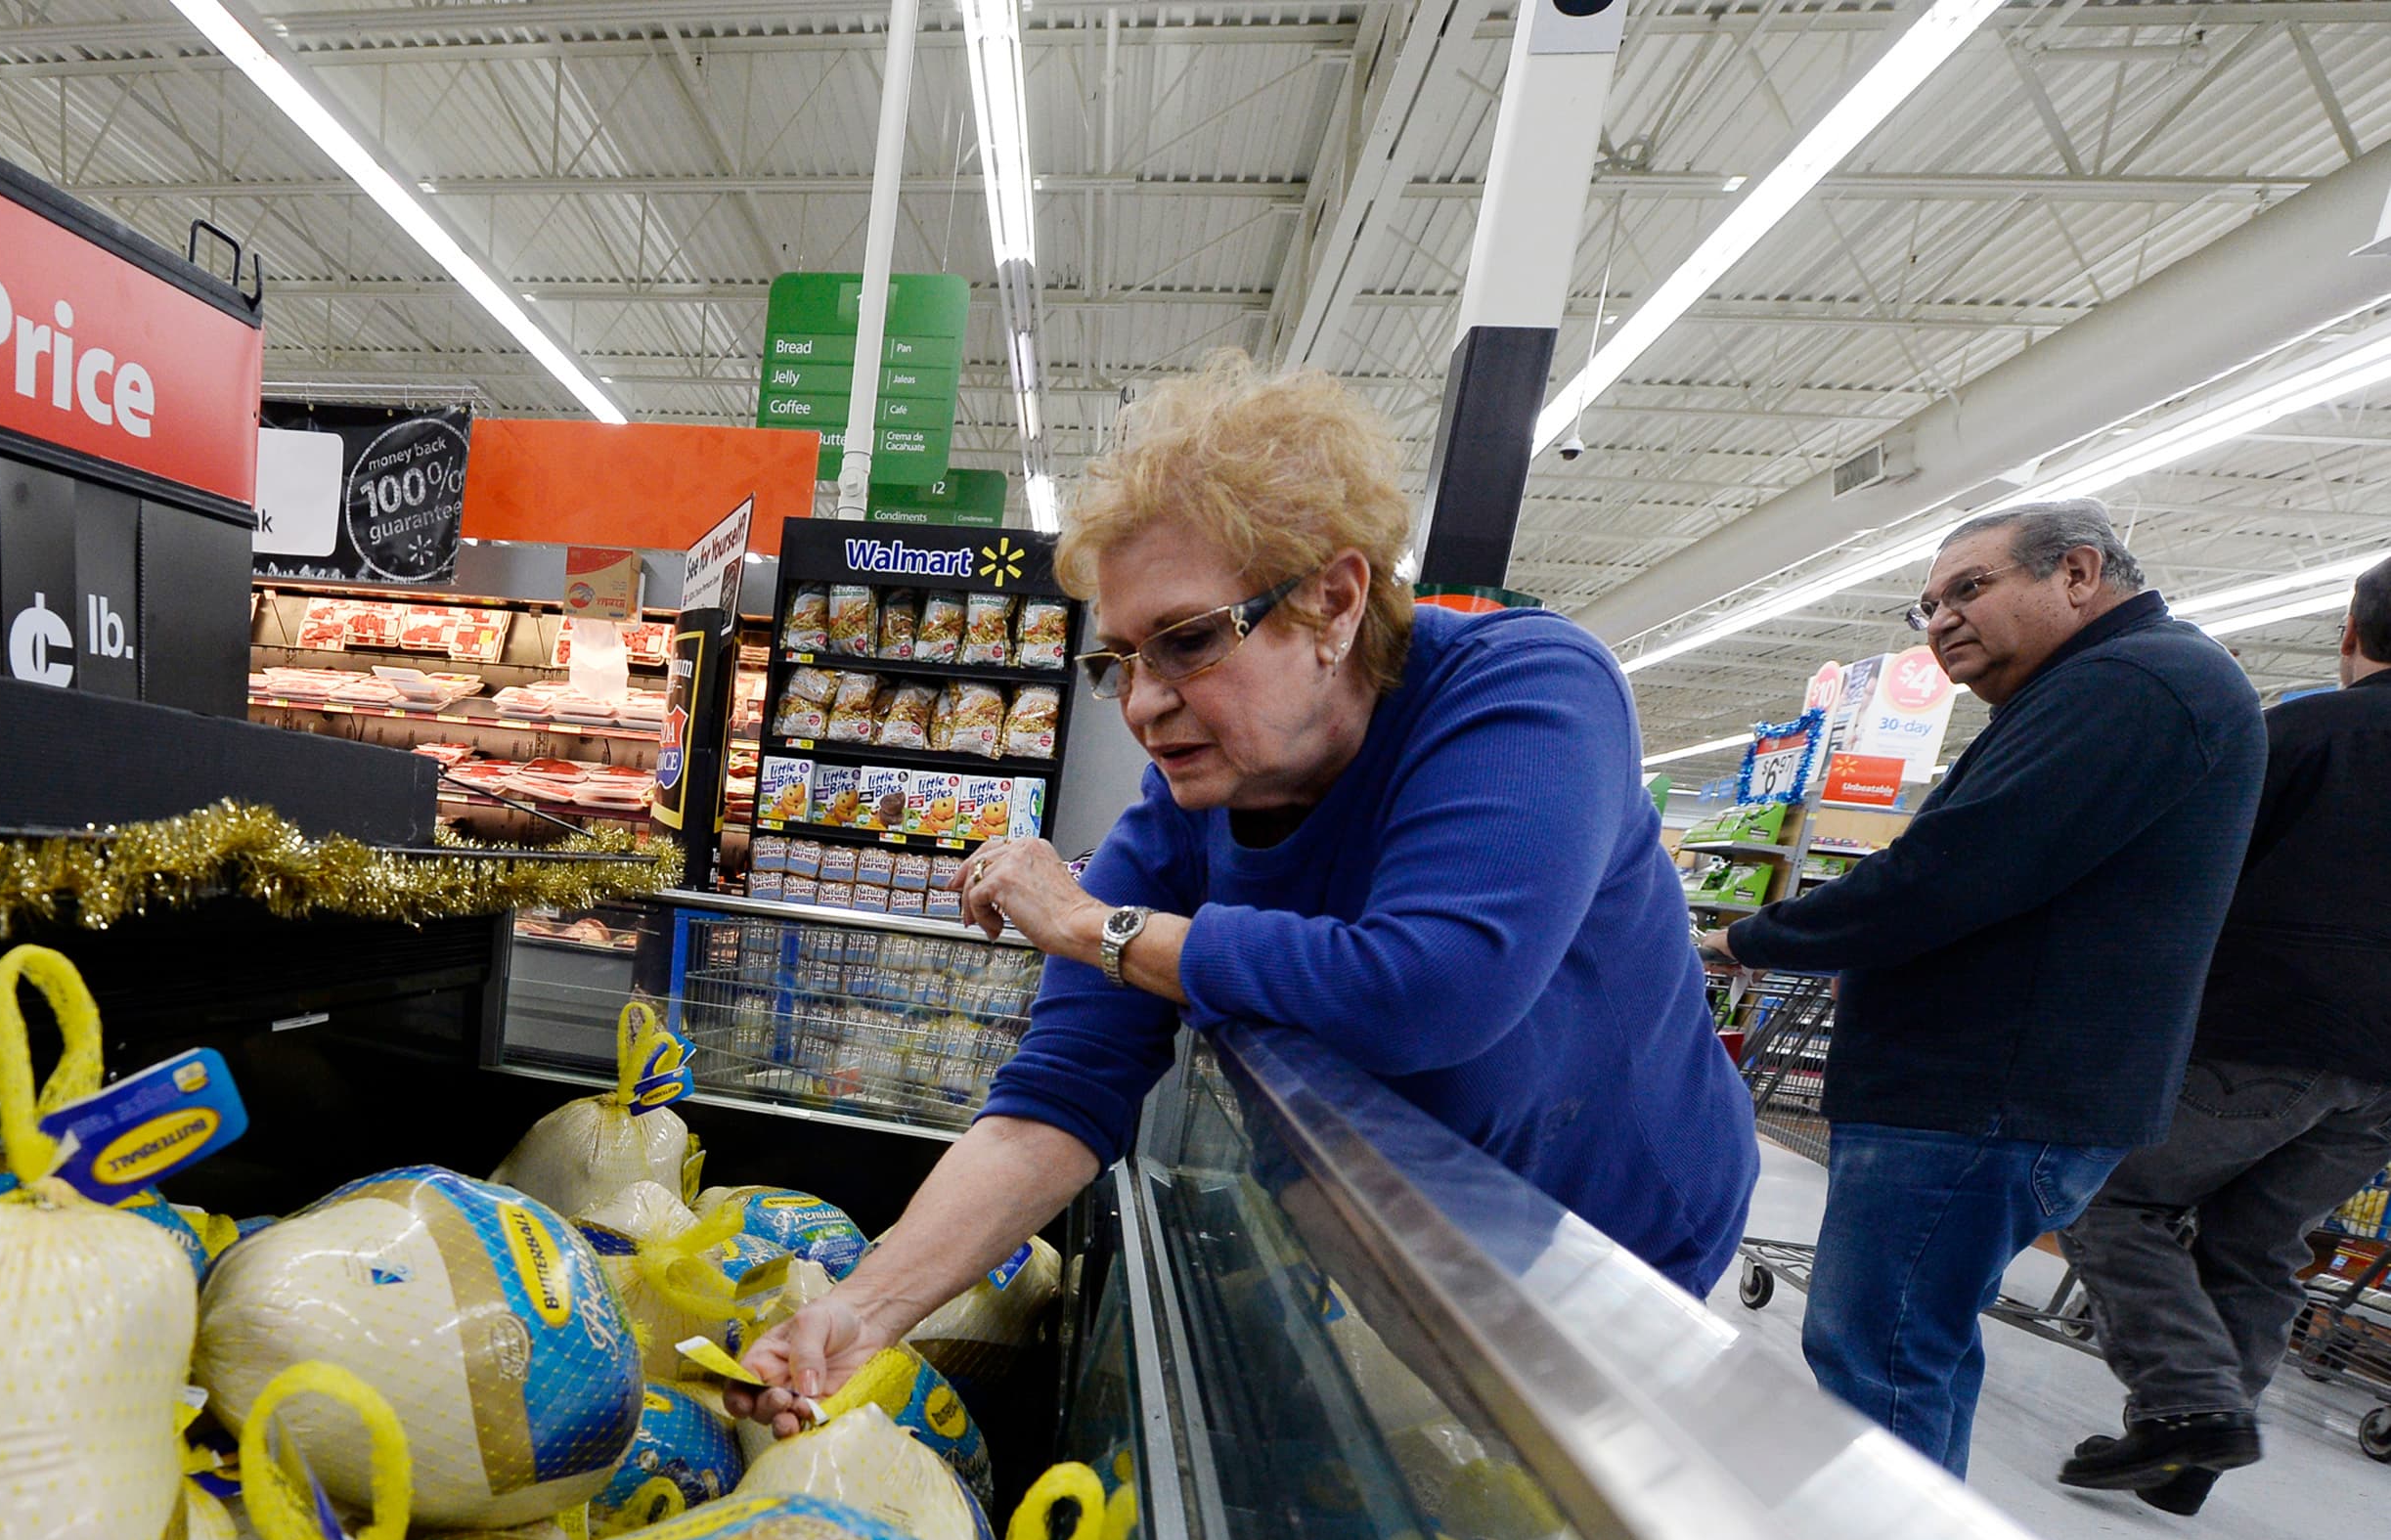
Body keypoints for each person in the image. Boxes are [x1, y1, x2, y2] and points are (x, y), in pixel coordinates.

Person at [731, 354, 1756, 1432]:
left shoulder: (1525, 692)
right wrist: (863, 1310)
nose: (1142, 703)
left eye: (1185, 641)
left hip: (1619, 1239)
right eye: (1119, 658)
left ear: (1332, 600)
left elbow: (1433, 988)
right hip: (1408, 1234)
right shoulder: (1189, 801)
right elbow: (1059, 1096)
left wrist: (1094, 926)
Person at [1704, 500, 2264, 1476]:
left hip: (1983, 1095)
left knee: (1877, 1354)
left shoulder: (2133, 683)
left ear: (2077, 573)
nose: (1940, 621)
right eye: (1925, 605)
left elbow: (1952, 871)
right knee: (1908, 1342)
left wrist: (1743, 940)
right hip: (1992, 1092)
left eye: (1969, 588)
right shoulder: (2106, 686)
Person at [2054, 557, 2391, 1513]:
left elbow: (2178, 870)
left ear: (2345, 634)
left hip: (2262, 1033)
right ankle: (2185, 1458)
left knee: (2103, 1188)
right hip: (2380, 1077)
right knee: (2258, 1241)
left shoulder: (2291, 734)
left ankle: (2186, 1405)